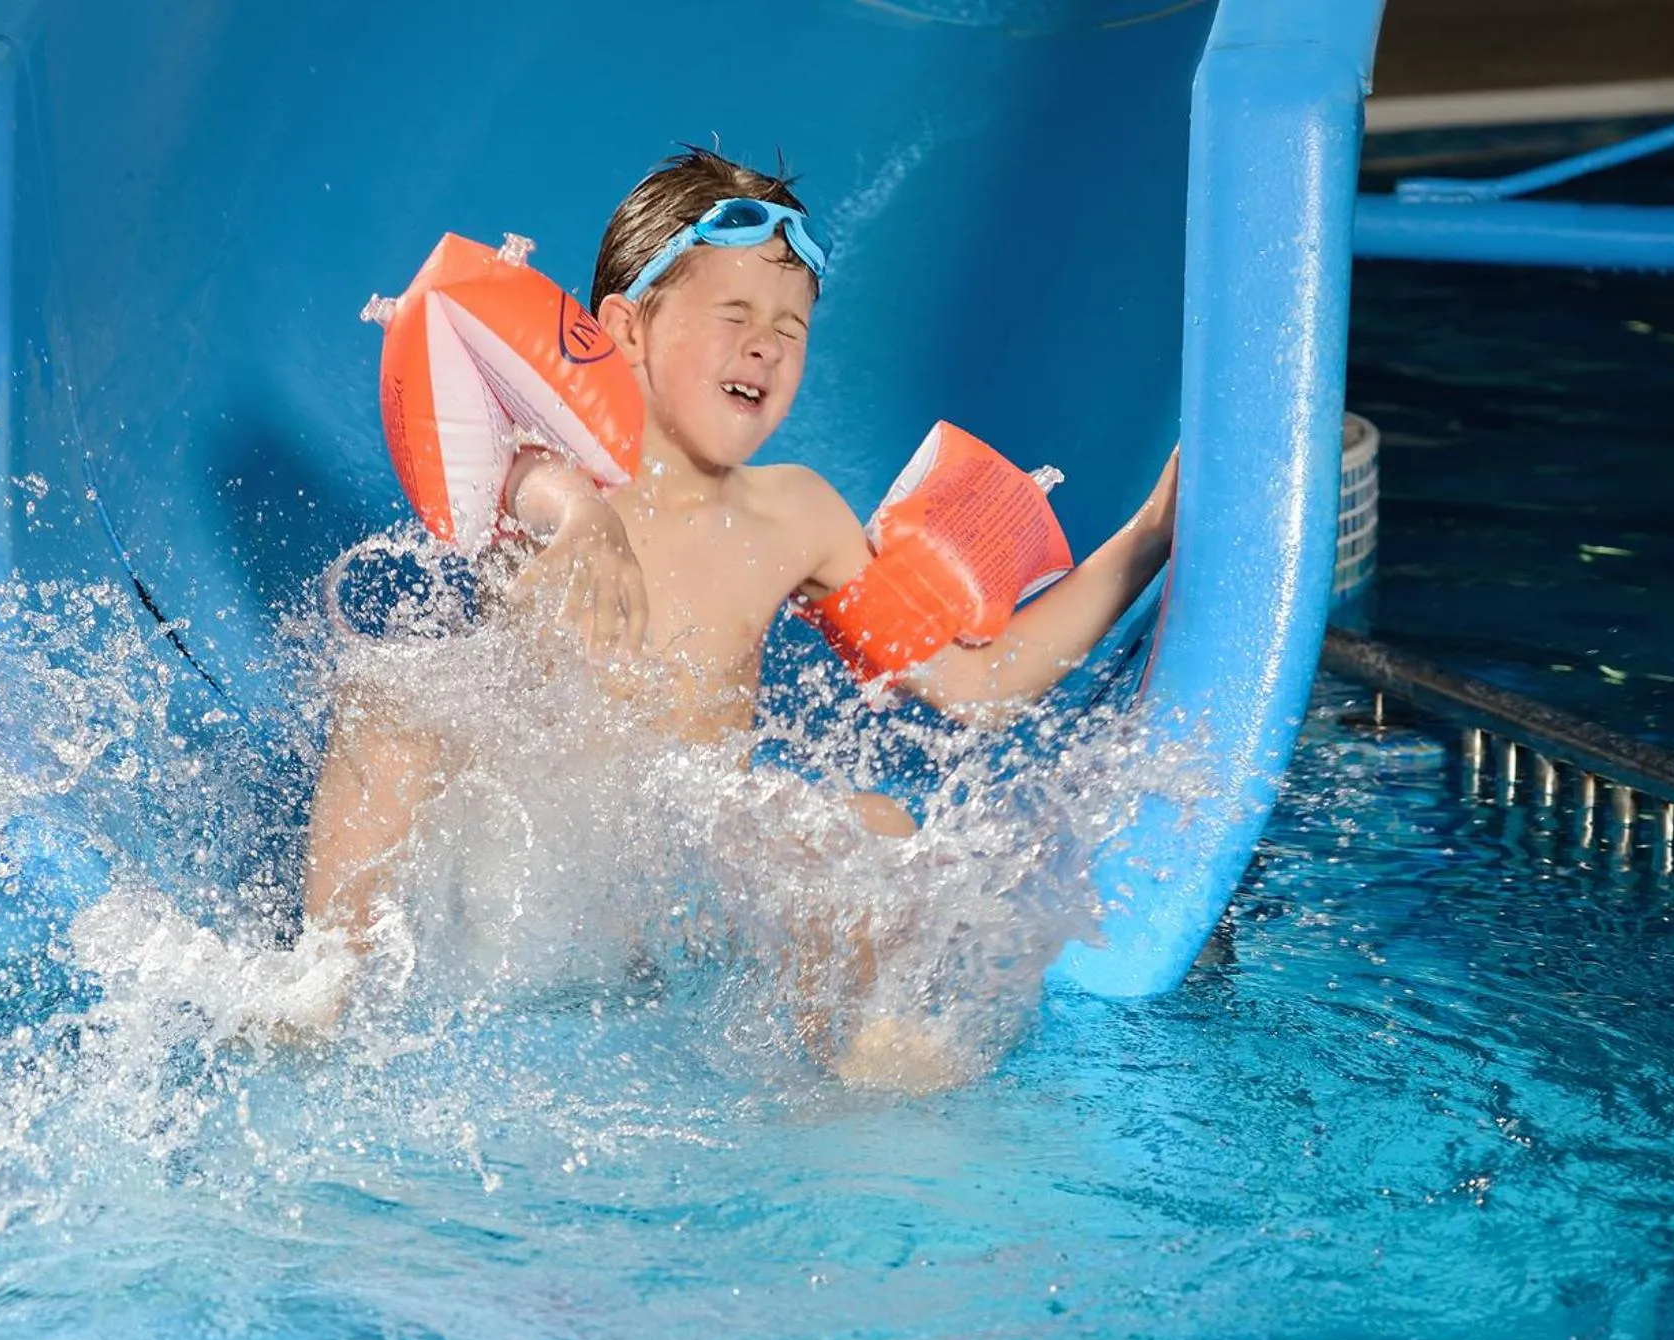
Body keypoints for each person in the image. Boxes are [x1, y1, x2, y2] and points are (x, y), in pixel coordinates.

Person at [304, 147, 1177, 1085]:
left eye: (789, 328)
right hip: (517, 876)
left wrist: (1151, 535)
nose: (766, 346)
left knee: (872, 825)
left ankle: (851, 1064)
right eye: (734, 316)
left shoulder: (794, 514)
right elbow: (531, 487)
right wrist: (588, 522)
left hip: (673, 903)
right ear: (625, 330)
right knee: (387, 705)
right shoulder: (553, 461)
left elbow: (974, 686)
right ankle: (321, 990)